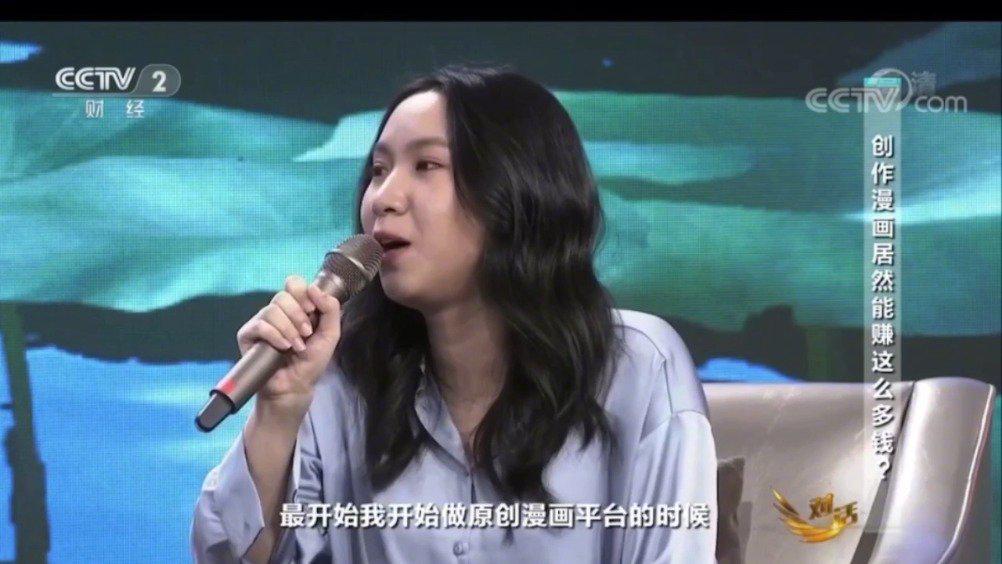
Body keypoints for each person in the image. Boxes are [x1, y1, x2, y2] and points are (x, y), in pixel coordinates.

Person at [191, 64, 718, 563]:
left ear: (518, 190)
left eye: (426, 165)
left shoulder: (638, 365)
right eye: (378, 171)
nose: (383, 198)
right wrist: (280, 409)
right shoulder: (338, 374)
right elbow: (228, 557)